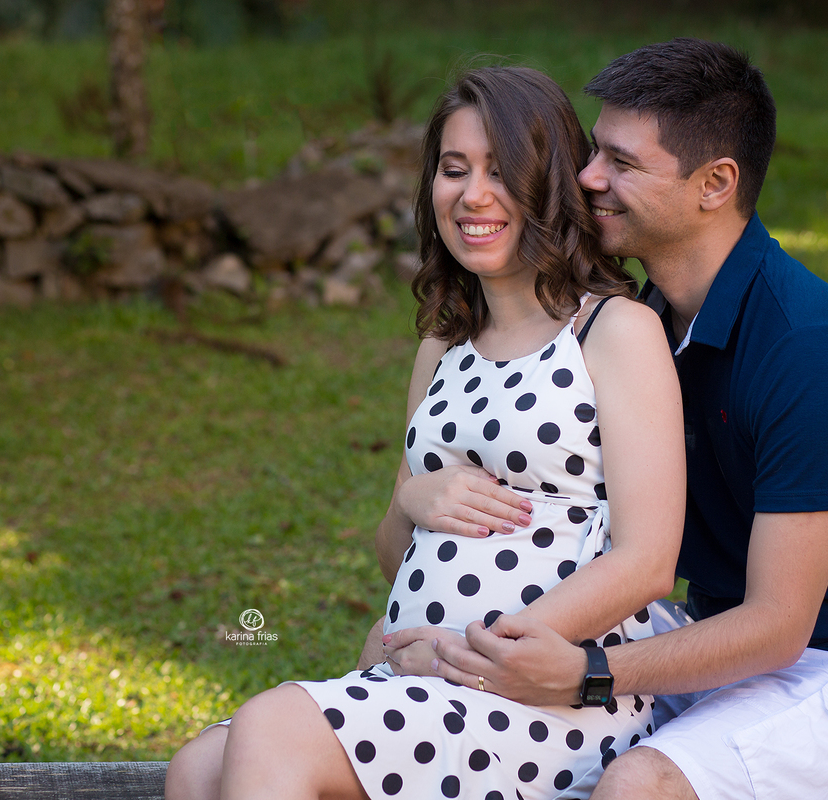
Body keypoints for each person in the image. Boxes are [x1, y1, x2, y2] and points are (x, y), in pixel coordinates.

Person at [386, 39, 828, 800]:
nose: (586, 178)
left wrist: (592, 671)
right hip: (703, 639)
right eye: (594, 152)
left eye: (621, 163)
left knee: (637, 785)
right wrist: (421, 495)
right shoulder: (634, 324)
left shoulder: (812, 350)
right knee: (432, 679)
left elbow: (780, 625)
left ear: (715, 184)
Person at [164, 65, 686, 800]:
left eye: (502, 171)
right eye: (453, 169)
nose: (472, 194)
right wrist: (412, 498)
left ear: (554, 184)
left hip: (542, 699)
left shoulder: (611, 331)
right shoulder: (443, 350)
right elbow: (391, 558)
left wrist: (477, 652)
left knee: (274, 728)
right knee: (196, 766)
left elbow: (647, 562)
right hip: (426, 679)